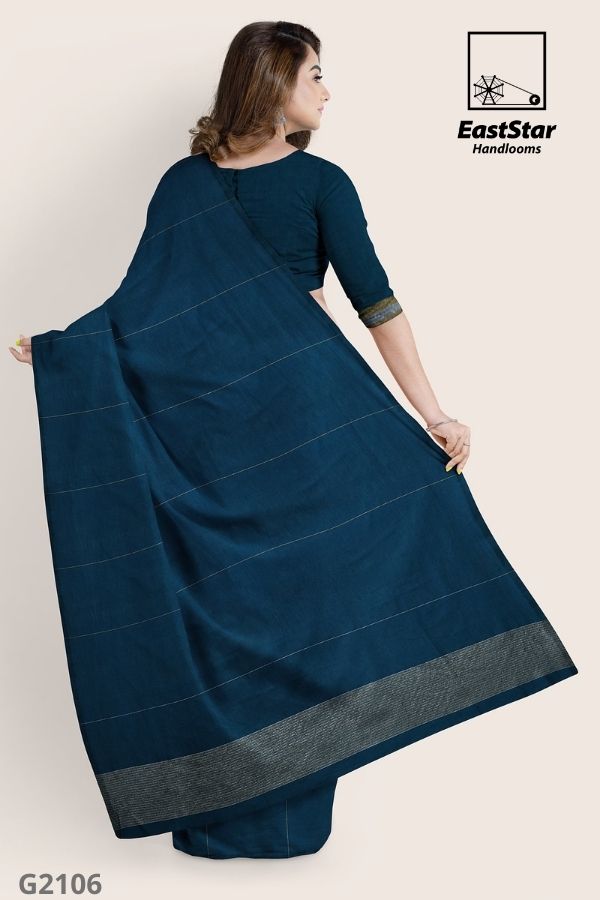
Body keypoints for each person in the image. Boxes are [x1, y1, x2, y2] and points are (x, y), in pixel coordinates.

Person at [10, 21, 577, 861]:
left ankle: (283, 820)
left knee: (306, 610)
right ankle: (215, 808)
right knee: (224, 604)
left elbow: (376, 303)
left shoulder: (321, 182)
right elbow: (142, 303)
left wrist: (433, 413)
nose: (326, 90)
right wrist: (66, 349)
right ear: (272, 81)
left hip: (306, 420)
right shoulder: (184, 186)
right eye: (315, 74)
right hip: (210, 432)